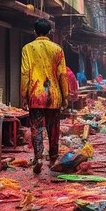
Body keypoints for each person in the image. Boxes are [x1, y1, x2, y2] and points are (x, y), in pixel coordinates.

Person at [21, 19, 69, 174]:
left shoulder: (27, 48)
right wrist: (65, 95)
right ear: (49, 32)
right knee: (53, 128)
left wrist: (23, 95)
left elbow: (25, 73)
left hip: (35, 95)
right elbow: (63, 74)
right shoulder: (57, 49)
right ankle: (54, 158)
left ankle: (39, 157)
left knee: (36, 127)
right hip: (54, 95)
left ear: (35, 31)